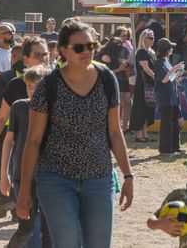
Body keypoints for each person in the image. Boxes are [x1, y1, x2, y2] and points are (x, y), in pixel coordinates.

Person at [17, 20, 135, 248]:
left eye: (91, 46)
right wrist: (24, 190)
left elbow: (114, 131)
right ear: (63, 50)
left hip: (99, 178)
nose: (87, 52)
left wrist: (128, 176)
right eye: (79, 47)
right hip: (56, 179)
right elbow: (33, 141)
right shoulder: (48, 85)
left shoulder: (106, 79)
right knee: (68, 243)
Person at [0, 36, 50, 215]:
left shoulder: (59, 83)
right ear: (26, 59)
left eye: (46, 54)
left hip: (51, 163)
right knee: (26, 221)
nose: (43, 58)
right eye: (38, 55)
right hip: (21, 152)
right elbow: (0, 118)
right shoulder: (16, 85)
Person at [0, 65, 54, 248]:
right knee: (26, 226)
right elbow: (8, 142)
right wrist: (3, 176)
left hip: (47, 175)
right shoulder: (19, 106)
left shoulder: (54, 109)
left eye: (35, 85)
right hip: (21, 176)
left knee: (48, 228)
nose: (31, 90)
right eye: (28, 86)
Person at [153, 38, 182, 155]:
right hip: (165, 97)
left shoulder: (166, 61)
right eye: (170, 47)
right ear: (166, 49)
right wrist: (174, 69)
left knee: (175, 123)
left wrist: (177, 73)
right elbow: (164, 80)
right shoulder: (158, 62)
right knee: (167, 123)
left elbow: (170, 78)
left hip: (172, 96)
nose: (172, 49)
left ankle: (175, 146)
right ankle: (165, 148)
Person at [129, 29, 157, 143]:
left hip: (149, 86)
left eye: (153, 38)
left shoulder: (150, 52)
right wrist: (157, 78)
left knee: (147, 110)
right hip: (143, 86)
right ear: (143, 38)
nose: (152, 40)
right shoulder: (141, 52)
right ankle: (138, 135)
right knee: (140, 109)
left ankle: (145, 135)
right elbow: (146, 69)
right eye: (150, 38)